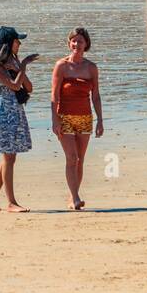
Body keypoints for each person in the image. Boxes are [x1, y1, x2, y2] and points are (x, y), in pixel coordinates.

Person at [51, 28, 103, 212]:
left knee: (80, 159)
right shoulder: (61, 66)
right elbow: (54, 96)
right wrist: (54, 120)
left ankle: (73, 195)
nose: (76, 44)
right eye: (73, 41)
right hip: (64, 117)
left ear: (86, 44)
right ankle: (75, 197)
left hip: (85, 117)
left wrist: (100, 120)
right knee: (71, 158)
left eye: (80, 41)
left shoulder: (91, 68)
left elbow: (95, 96)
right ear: (69, 43)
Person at [0, 26, 37, 213]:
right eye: (17, 41)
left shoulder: (14, 62)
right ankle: (11, 202)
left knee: (10, 157)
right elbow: (15, 86)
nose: (20, 44)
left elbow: (29, 87)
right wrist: (23, 65)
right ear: (9, 43)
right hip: (2, 111)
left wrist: (19, 67)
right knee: (8, 156)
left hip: (15, 109)